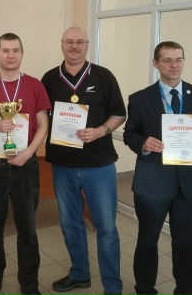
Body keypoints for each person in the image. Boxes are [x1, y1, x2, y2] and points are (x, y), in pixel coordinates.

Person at [123, 41, 192, 295]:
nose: (174, 65)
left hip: (188, 181)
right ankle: (145, 288)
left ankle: (186, 290)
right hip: (152, 181)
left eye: (179, 59)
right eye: (167, 60)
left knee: (186, 241)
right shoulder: (140, 98)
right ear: (156, 63)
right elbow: (130, 133)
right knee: (148, 239)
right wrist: (143, 143)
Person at [41, 26, 125, 295]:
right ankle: (79, 274)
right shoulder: (49, 78)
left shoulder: (103, 76)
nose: (74, 46)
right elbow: (41, 117)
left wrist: (101, 130)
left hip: (99, 165)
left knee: (106, 228)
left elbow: (119, 114)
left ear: (87, 45)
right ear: (62, 44)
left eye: (80, 41)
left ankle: (112, 286)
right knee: (70, 224)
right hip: (62, 165)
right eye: (69, 41)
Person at [0, 33, 50, 295]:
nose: (11, 55)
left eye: (16, 50)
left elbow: (43, 125)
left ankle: (29, 284)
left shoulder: (35, 85)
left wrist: (28, 153)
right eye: (5, 50)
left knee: (27, 229)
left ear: (22, 53)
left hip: (25, 166)